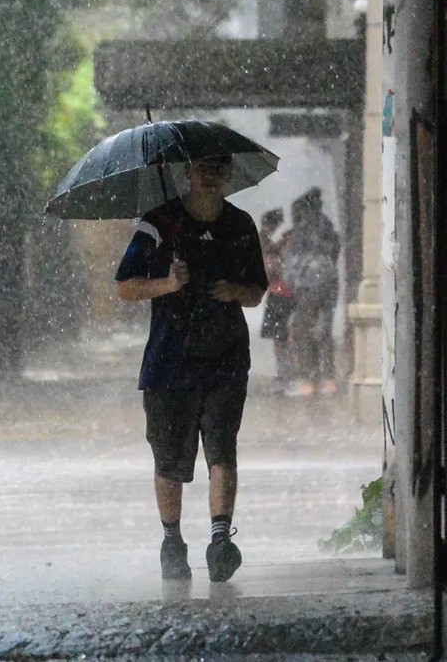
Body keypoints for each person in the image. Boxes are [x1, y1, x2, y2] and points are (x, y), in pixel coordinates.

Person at [114, 155, 268, 583]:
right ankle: (172, 541)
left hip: (226, 357)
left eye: (217, 167)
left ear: (228, 172)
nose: (210, 173)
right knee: (169, 459)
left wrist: (234, 290)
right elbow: (125, 286)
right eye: (202, 166)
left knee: (223, 447)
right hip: (169, 361)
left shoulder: (240, 225)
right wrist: (168, 283)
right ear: (187, 172)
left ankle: (221, 542)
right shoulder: (158, 224)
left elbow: (257, 291)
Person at [282, 187, 341, 396]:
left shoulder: (303, 229)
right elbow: (334, 251)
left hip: (310, 284)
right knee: (324, 329)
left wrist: (291, 281)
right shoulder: (327, 226)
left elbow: (294, 260)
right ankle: (329, 378)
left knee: (303, 330)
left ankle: (309, 378)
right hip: (330, 282)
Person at [257, 209, 297, 395]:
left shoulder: (268, 241)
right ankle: (285, 373)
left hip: (280, 293)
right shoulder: (263, 241)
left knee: (281, 336)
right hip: (282, 292)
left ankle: (285, 374)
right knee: (282, 336)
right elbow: (269, 264)